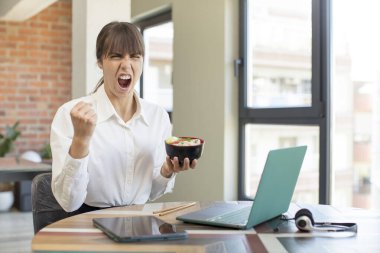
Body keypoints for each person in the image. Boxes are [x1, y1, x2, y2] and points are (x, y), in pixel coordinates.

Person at [50, 21, 197, 213]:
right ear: (100, 62)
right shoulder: (70, 114)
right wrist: (81, 140)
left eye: (135, 56)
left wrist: (167, 172)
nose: (126, 65)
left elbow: (152, 191)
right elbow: (68, 202)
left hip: (139, 220)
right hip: (87, 221)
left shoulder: (157, 116)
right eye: (116, 56)